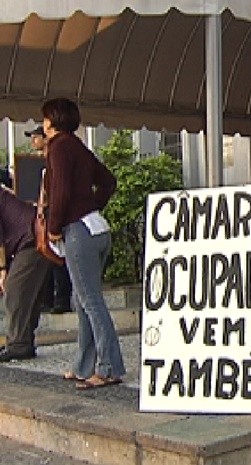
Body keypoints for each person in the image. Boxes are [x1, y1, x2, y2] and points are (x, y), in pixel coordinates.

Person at [41, 97, 125, 389]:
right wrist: (91, 205)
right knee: (82, 300)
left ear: (51, 120)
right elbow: (108, 181)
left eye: (44, 119)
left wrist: (54, 227)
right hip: (96, 228)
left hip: (78, 231)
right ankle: (83, 364)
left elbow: (60, 191)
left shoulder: (59, 146)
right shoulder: (78, 145)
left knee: (90, 301)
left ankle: (108, 367)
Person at [25, 125, 73, 314]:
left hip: (55, 214)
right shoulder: (43, 164)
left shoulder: (55, 161)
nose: (33, 141)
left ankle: (62, 300)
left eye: (36, 137)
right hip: (44, 214)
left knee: (58, 257)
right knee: (46, 255)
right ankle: (48, 299)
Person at [0, 186, 52, 362]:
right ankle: (23, 341)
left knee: (15, 290)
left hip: (32, 238)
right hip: (37, 235)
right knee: (28, 293)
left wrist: (2, 270)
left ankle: (18, 344)